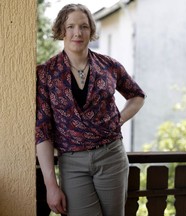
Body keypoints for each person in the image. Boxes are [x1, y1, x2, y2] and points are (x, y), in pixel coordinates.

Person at [36, 3, 145, 216]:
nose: (78, 32)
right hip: (72, 162)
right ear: (61, 30)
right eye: (71, 27)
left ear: (91, 31)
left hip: (111, 156)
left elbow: (137, 95)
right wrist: (51, 185)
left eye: (84, 26)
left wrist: (119, 119)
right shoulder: (46, 73)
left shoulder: (109, 66)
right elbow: (42, 131)